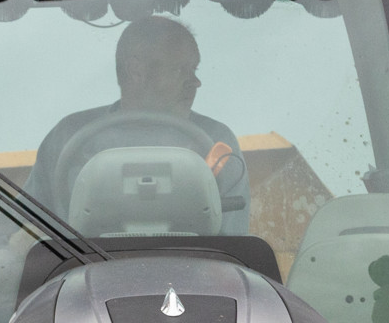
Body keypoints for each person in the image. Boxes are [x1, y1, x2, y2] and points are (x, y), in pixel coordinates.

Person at [28, 14, 249, 228]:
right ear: (136, 71)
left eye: (194, 70)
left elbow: (229, 245)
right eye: (181, 69)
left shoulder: (217, 143)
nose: (195, 82)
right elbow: (27, 226)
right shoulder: (68, 136)